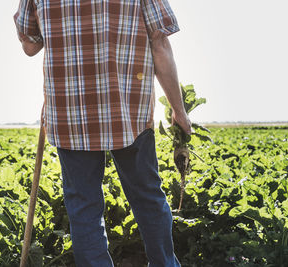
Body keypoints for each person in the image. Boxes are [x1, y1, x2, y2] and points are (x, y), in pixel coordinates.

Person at [14, 0, 191, 266]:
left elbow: (30, 45)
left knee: (84, 208)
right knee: (148, 198)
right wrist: (179, 110)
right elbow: (160, 43)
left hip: (69, 111)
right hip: (128, 110)